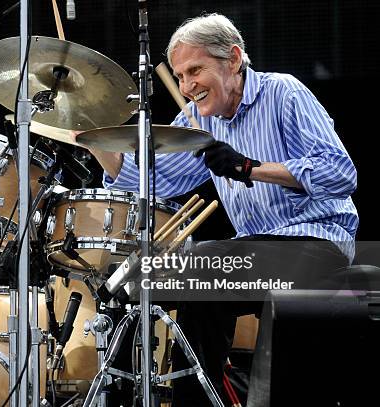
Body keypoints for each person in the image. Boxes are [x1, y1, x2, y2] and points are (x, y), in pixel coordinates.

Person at [82, 13, 358, 405]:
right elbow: (155, 182)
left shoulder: (284, 93)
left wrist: (250, 168)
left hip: (316, 242)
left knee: (206, 263)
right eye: (179, 76)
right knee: (138, 282)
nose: (186, 85)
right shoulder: (198, 118)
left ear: (232, 59)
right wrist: (95, 140)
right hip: (257, 250)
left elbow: (340, 174)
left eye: (195, 70)